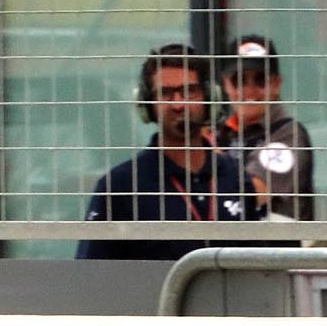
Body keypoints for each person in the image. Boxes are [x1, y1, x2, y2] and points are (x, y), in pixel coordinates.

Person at [77, 44, 265, 261]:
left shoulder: (235, 178)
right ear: (148, 106)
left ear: (209, 98)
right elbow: (89, 273)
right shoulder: (120, 187)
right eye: (165, 94)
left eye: (189, 91)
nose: (178, 104)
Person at [215, 34, 314, 221]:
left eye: (260, 80)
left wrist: (209, 159)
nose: (249, 91)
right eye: (239, 81)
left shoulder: (289, 134)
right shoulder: (220, 134)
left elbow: (252, 195)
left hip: (275, 240)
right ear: (226, 84)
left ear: (276, 84)